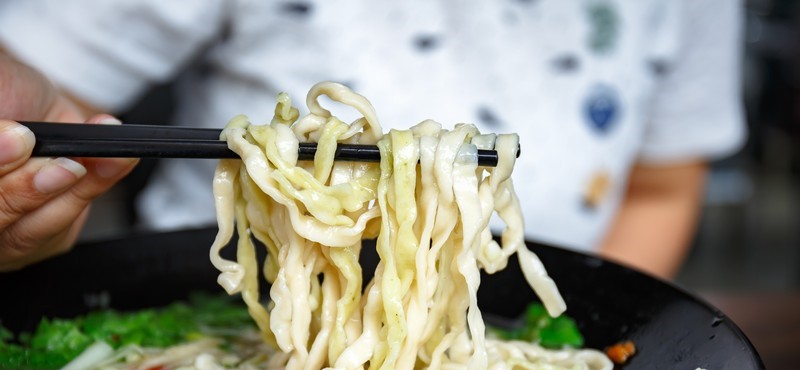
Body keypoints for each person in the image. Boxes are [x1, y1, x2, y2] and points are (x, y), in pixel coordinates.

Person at [0, 0, 745, 278]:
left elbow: (661, 186)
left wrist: (576, 345)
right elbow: (48, 104)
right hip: (209, 296)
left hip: (511, 321)